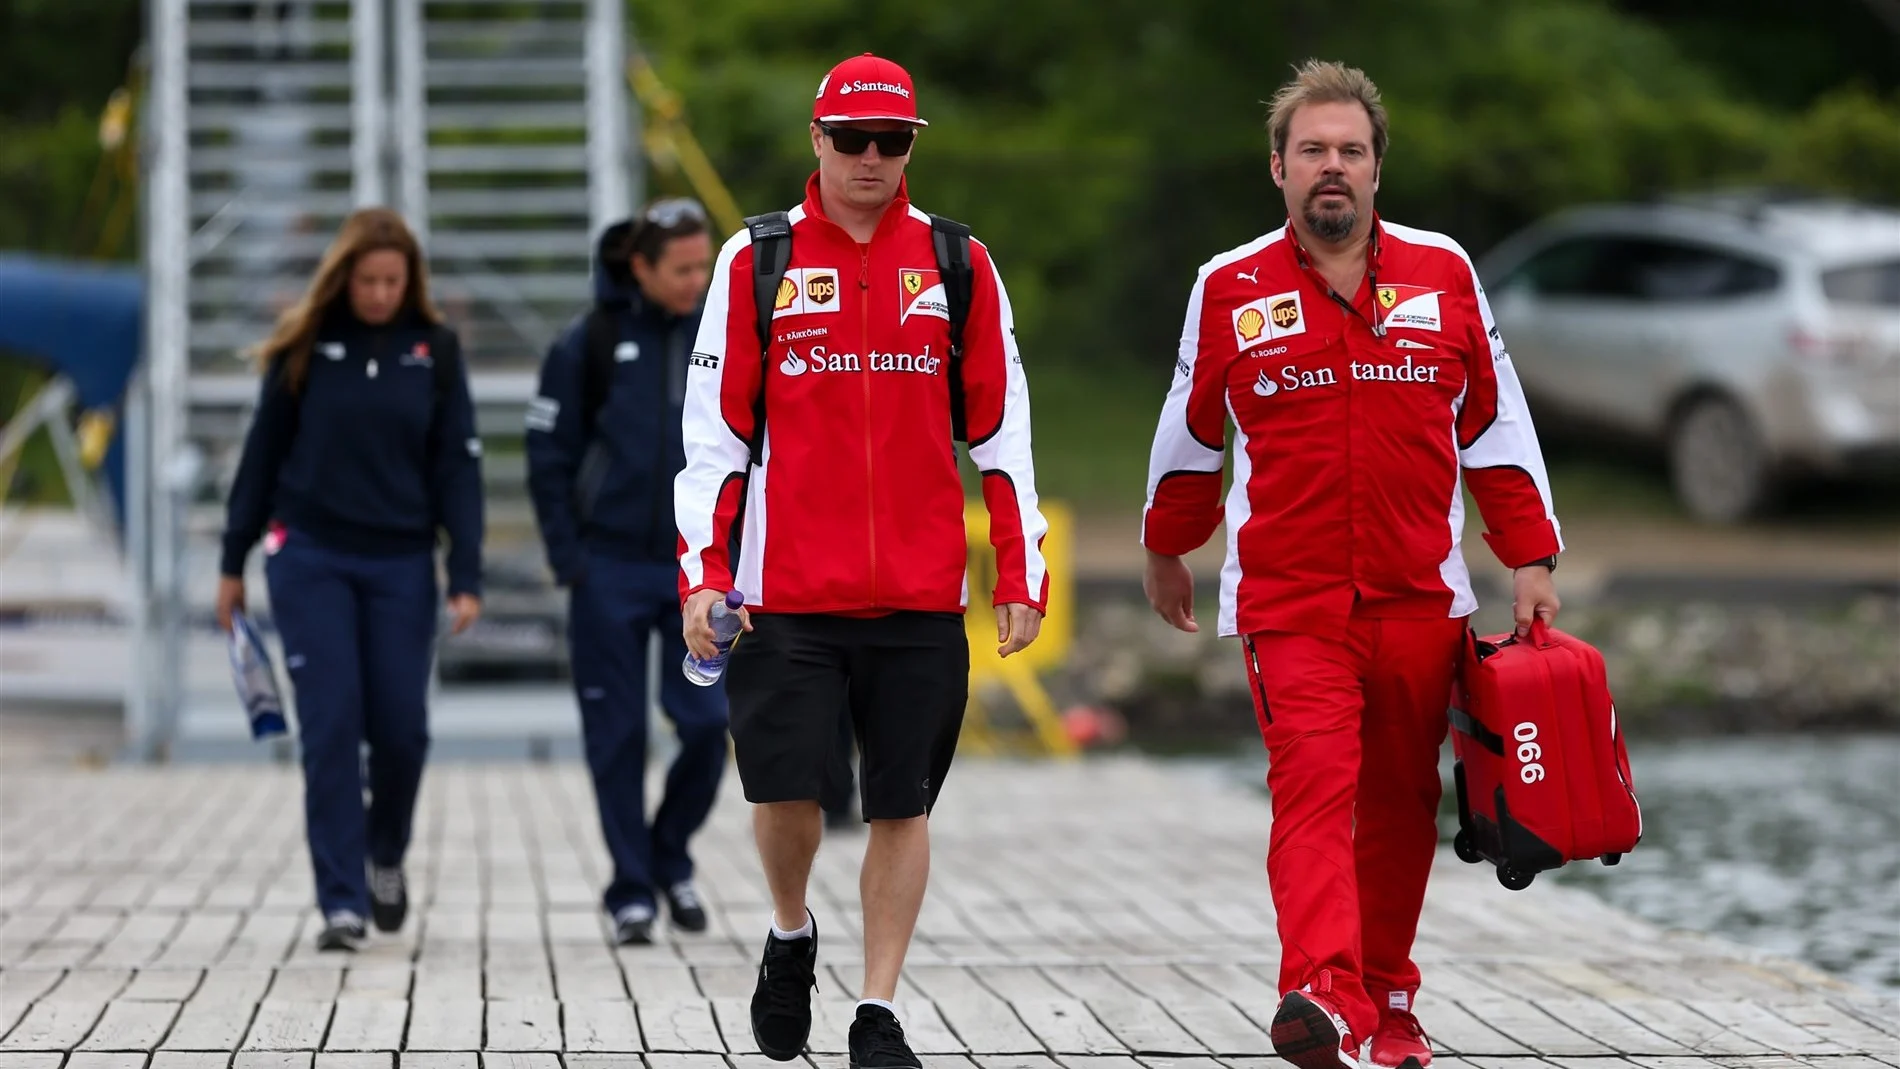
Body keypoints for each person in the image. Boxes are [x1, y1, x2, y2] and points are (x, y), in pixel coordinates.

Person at [1139, 60, 1563, 1069]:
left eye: (1351, 151)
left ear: (1377, 169)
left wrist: (1530, 558)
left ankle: (1389, 1002)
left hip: (1422, 595)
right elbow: (1189, 437)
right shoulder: (1227, 286)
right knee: (1314, 786)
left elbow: (1495, 429)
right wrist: (1167, 548)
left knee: (1401, 805)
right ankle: (1322, 992)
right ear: (1277, 168)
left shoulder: (1444, 272)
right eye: (1313, 151)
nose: (1332, 167)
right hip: (1289, 602)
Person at [675, 52, 1049, 1069]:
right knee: (785, 793)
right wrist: (702, 575)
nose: (872, 159)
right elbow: (714, 442)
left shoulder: (957, 261)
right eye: (853, 140)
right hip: (783, 592)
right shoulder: (754, 261)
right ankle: (790, 932)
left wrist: (1020, 571)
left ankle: (876, 1010)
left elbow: (1002, 432)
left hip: (920, 594)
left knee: (901, 802)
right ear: (817, 139)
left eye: (893, 141)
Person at [216, 206, 485, 953]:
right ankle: (340, 900)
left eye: (390, 280)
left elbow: (458, 467)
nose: (376, 293)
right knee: (331, 725)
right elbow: (259, 459)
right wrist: (231, 563)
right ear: (343, 277)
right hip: (310, 557)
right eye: (365, 279)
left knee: (400, 728)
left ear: (410, 281)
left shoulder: (436, 350)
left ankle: (384, 852)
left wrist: (465, 570)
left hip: (401, 560)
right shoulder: (305, 348)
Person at [525, 196, 725, 946]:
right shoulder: (590, 341)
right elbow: (547, 455)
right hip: (605, 568)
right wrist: (569, 558)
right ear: (640, 267)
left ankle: (669, 853)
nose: (696, 280)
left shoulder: (720, 334)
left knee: (708, 724)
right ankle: (632, 888)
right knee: (615, 736)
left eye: (703, 266)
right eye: (681, 268)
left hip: (696, 572)